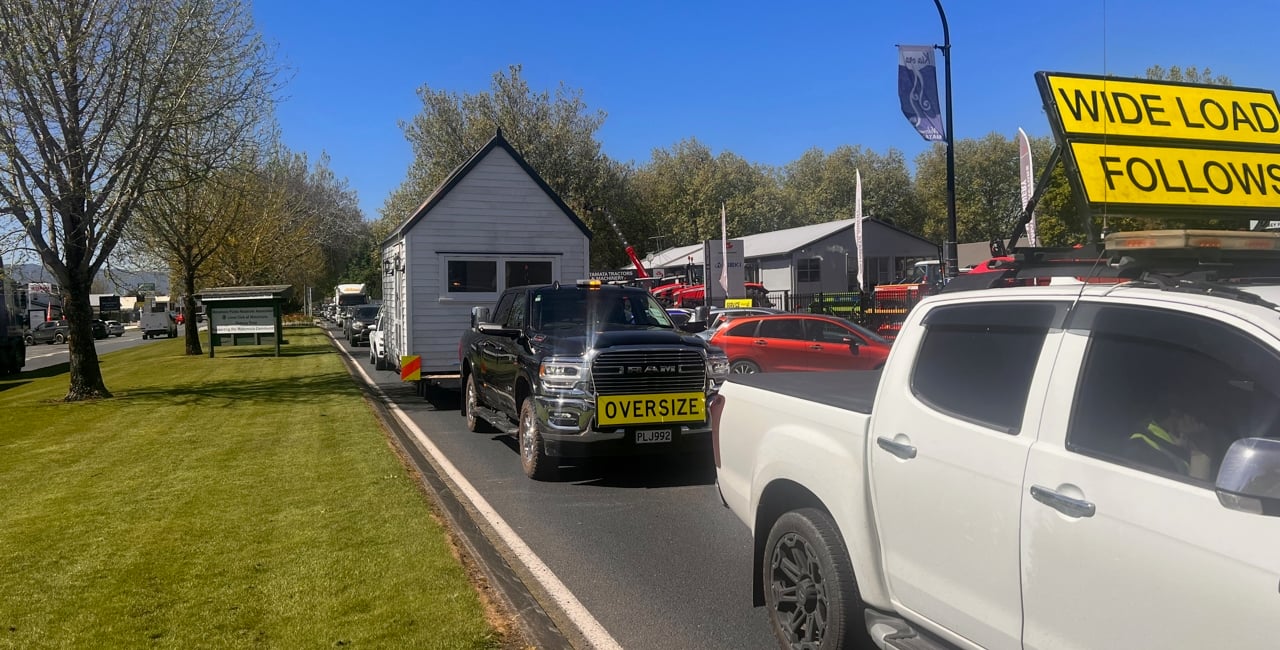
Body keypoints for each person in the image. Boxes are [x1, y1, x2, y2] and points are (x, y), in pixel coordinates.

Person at [1129, 398, 1218, 481]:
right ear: (1176, 413)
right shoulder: (1143, 449)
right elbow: (1187, 494)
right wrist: (1200, 452)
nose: (1201, 425)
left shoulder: (1165, 443)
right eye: (1197, 417)